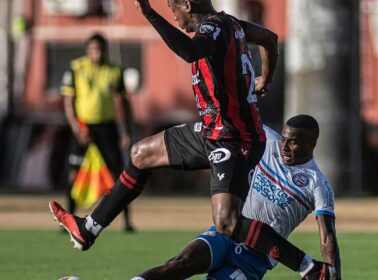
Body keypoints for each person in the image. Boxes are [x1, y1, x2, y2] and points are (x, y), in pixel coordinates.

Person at [49, 0, 311, 273]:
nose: (173, 17)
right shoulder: (232, 25)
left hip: (236, 138)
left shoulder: (212, 28)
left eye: (173, 10)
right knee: (141, 154)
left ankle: (307, 266)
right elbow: (269, 38)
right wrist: (264, 80)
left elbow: (189, 51)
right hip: (212, 130)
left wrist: (150, 14)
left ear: (186, 5)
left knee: (226, 223)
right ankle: (88, 227)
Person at [130, 115, 340, 280]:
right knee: (179, 264)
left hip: (254, 257)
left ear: (311, 144)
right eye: (284, 139)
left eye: (292, 143)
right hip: (228, 232)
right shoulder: (266, 140)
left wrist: (332, 274)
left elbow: (327, 237)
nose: (284, 147)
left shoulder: (318, 184)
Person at [61, 33, 135, 232]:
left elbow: (122, 102)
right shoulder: (76, 68)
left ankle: (127, 221)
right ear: (87, 51)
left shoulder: (114, 70)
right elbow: (68, 102)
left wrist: (125, 131)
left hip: (107, 127)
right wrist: (77, 129)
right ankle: (68, 219)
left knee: (120, 175)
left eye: (100, 49)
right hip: (83, 127)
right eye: (94, 49)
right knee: (73, 173)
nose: (97, 53)